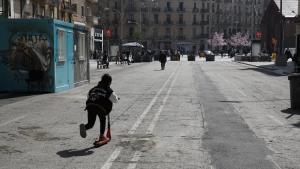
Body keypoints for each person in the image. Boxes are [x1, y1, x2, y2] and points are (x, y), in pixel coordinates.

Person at [80, 74, 119, 146]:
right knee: (102, 119)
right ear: (109, 82)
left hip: (90, 105)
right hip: (100, 107)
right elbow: (115, 100)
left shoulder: (94, 88)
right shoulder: (108, 90)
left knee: (91, 124)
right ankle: (101, 136)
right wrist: (117, 98)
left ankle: (85, 127)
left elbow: (88, 96)